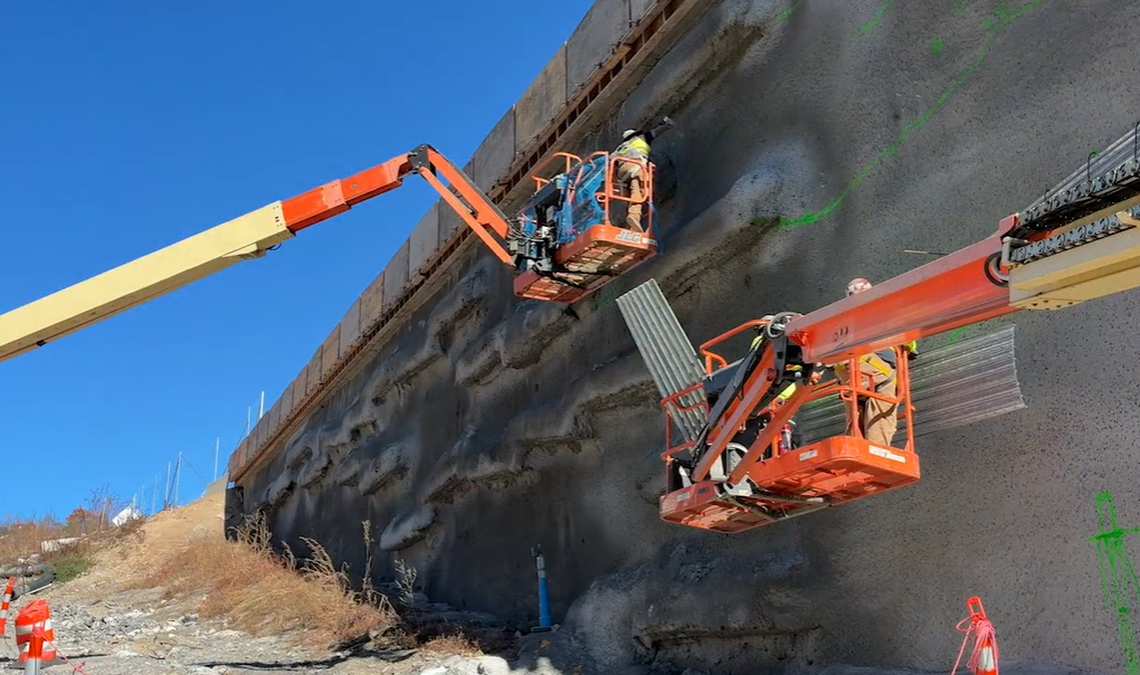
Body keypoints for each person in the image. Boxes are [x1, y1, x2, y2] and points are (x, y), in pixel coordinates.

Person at [832, 278, 918, 447]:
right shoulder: (881, 309)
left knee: (856, 406)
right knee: (886, 395)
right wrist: (911, 348)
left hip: (847, 368)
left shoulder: (839, 316)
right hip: (869, 363)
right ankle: (878, 450)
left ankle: (855, 448)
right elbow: (907, 337)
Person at [612, 116, 675, 231]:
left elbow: (610, 161)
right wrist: (667, 124)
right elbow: (656, 131)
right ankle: (633, 216)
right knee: (639, 190)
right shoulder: (640, 139)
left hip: (623, 173)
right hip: (636, 166)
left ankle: (630, 225)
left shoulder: (620, 148)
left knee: (632, 193)